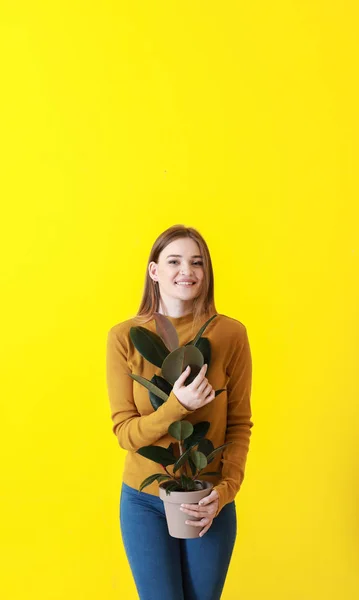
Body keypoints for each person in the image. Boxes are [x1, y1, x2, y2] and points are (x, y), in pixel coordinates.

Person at [106, 224, 253, 600]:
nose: (186, 271)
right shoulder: (125, 337)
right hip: (144, 503)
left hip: (207, 500)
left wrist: (224, 492)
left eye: (196, 262)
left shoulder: (229, 334)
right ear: (154, 271)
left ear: (206, 274)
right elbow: (126, 433)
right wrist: (177, 407)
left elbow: (238, 425)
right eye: (174, 261)